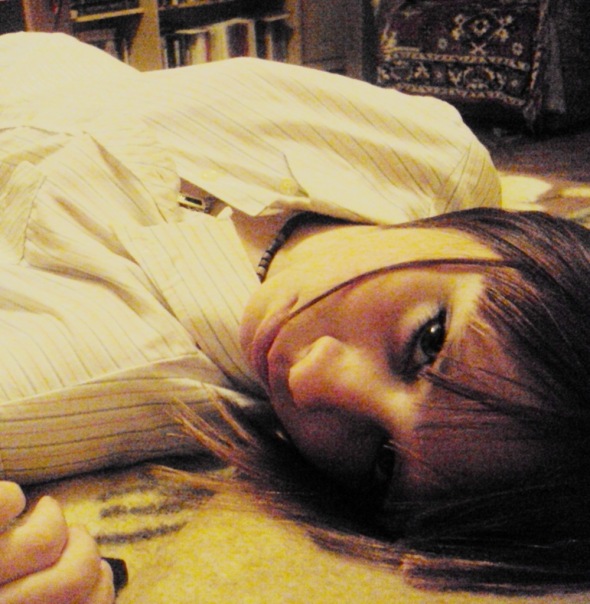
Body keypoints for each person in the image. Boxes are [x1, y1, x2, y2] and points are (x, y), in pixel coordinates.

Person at [0, 31, 589, 600]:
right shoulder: (430, 154)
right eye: (428, 340)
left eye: (383, 463)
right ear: (499, 233)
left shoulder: (86, 375)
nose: (311, 380)